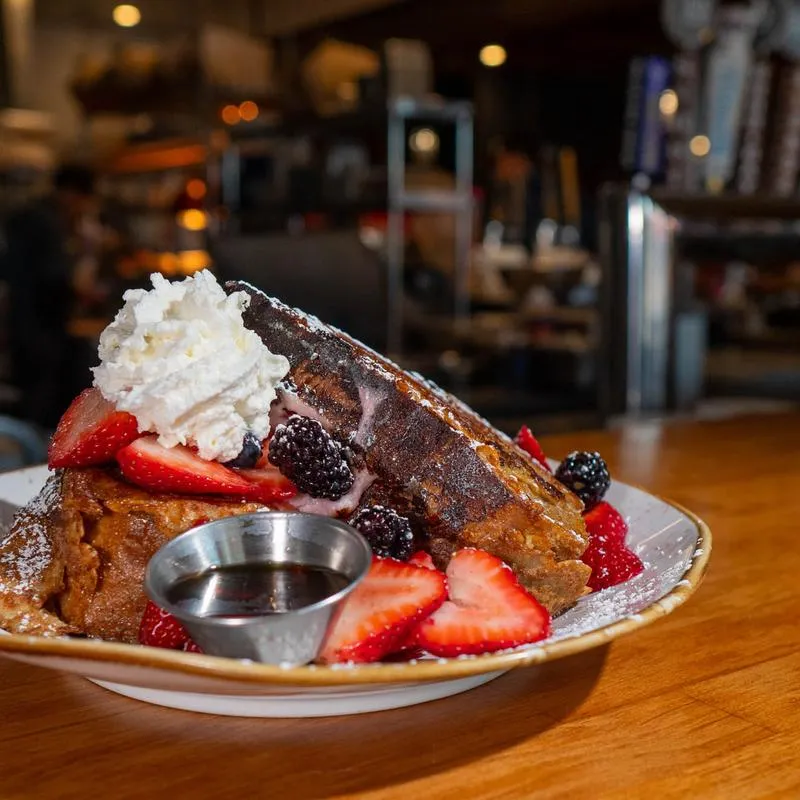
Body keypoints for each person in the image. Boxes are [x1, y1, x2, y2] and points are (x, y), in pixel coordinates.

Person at [2, 164, 99, 429]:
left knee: (31, 395)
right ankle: (43, 454)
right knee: (43, 403)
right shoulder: (47, 223)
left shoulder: (26, 216)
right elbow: (54, 278)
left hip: (21, 323)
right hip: (43, 330)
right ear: (72, 193)